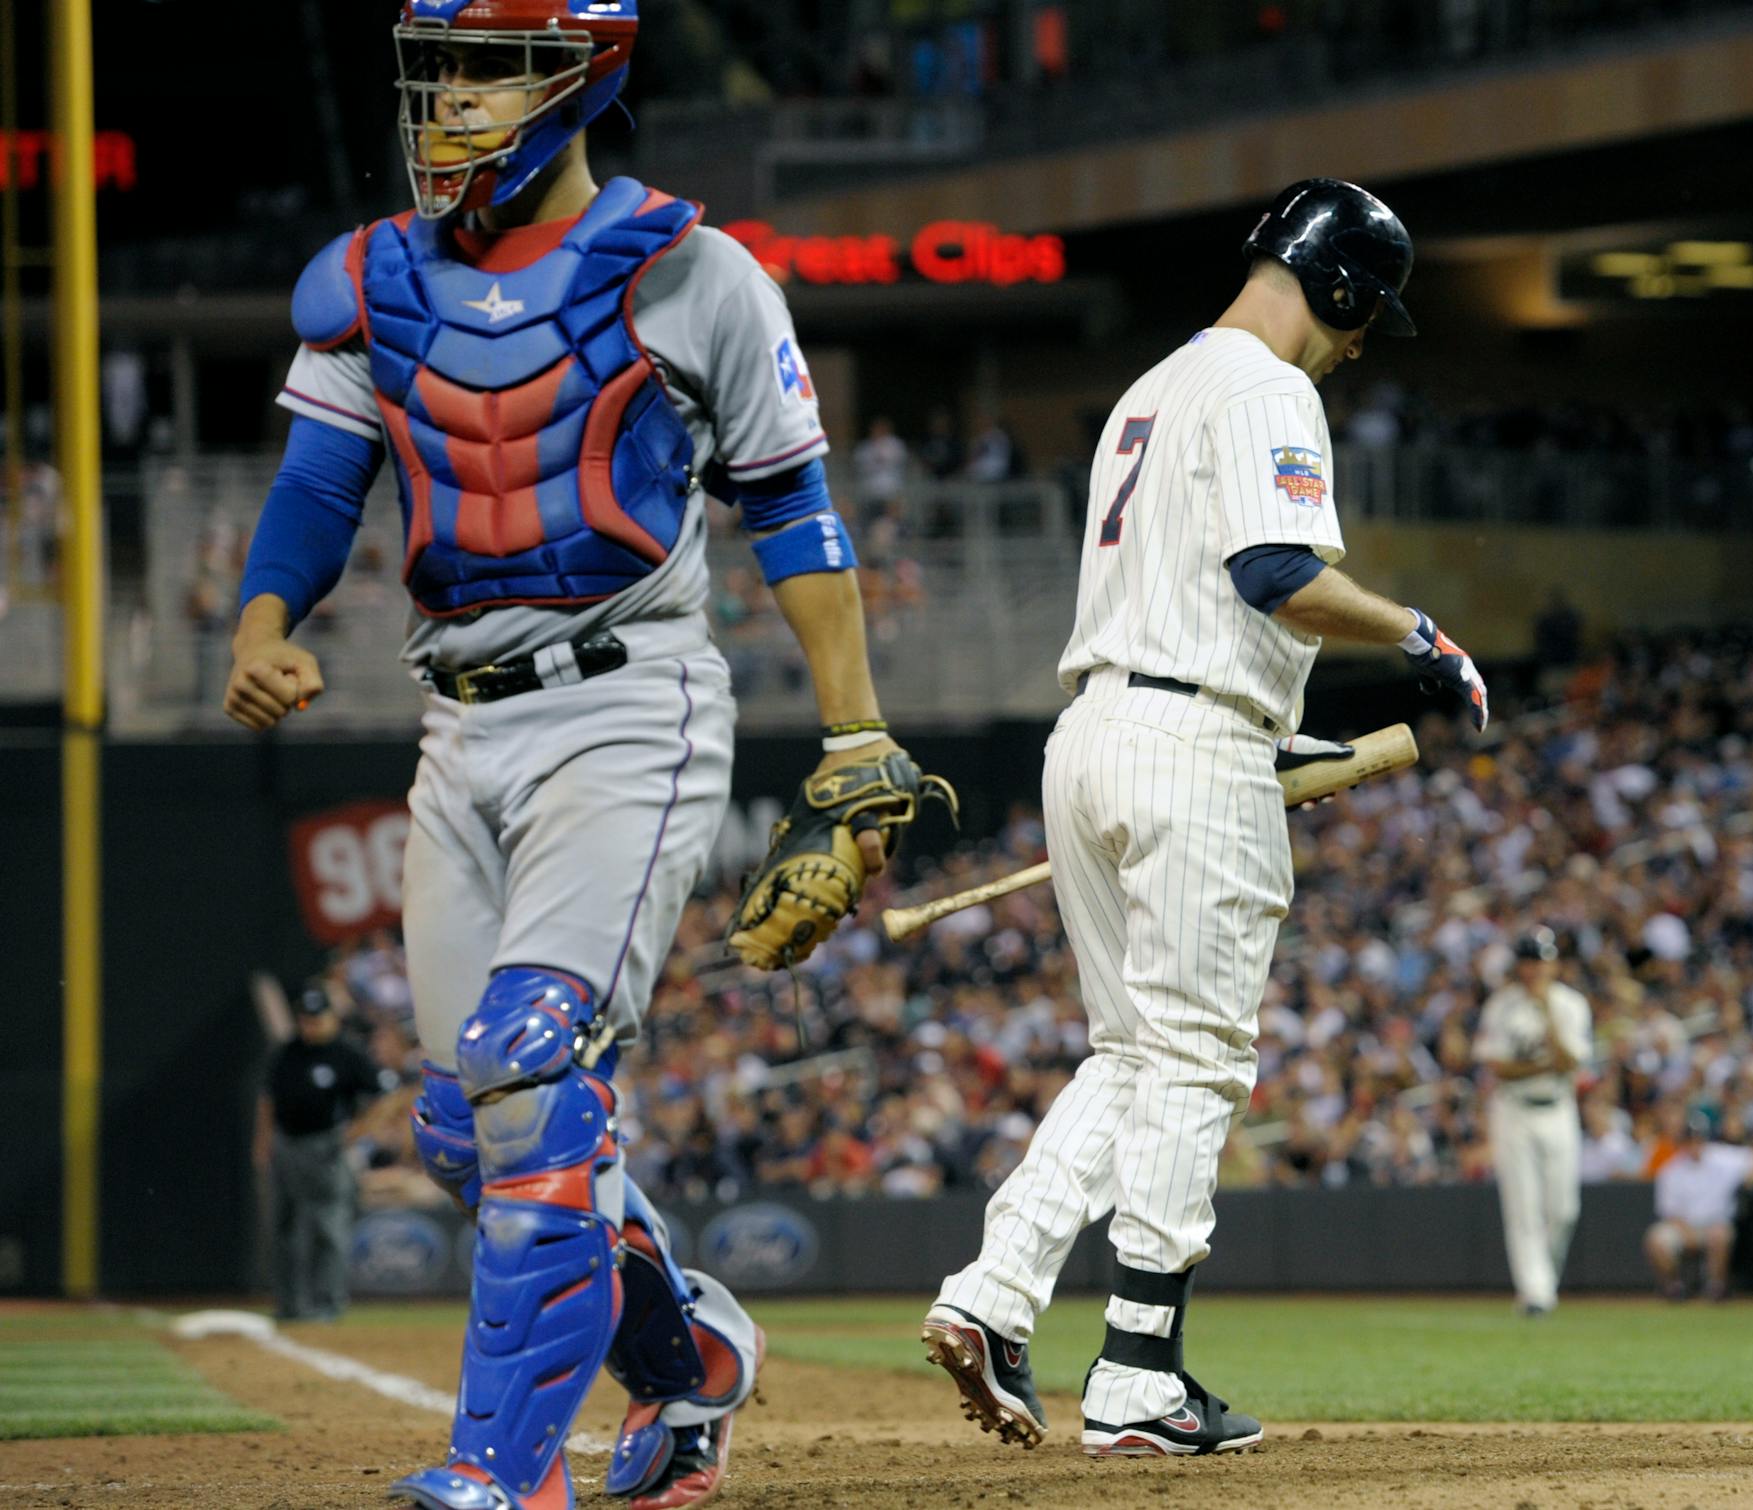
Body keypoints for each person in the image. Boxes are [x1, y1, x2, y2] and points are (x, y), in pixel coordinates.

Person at [223, 5, 918, 1506]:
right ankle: (686, 1361)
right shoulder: (372, 282)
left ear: (583, 74)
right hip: (456, 723)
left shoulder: (695, 272)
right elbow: (317, 477)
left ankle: (501, 1473)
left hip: (629, 703)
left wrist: (855, 730)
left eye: (488, 67)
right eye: (442, 68)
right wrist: (260, 624)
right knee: (465, 1124)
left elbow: (792, 510)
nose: (454, 100)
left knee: (532, 1061)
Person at [922, 178, 1486, 1459]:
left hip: (1099, 733)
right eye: (1364, 319)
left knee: (1129, 1054)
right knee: (1196, 1061)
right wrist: (1417, 633)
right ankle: (1138, 1375)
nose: (1356, 347)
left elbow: (1194, 597)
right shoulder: (1269, 388)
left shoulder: (1152, 386)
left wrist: (1278, 733)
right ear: (1338, 287)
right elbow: (1275, 575)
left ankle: (992, 1293)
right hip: (1190, 746)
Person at [1474, 927, 1591, 1317]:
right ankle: (1537, 1294)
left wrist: (1546, 1013)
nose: (1535, 969)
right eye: (1528, 961)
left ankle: (1543, 1285)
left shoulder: (1570, 1004)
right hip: (1513, 1110)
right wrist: (1543, 1065)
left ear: (1554, 963)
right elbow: (1498, 1067)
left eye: (1541, 960)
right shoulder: (1501, 1005)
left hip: (1559, 1107)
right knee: (1523, 1207)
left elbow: (1570, 1061)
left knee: (1563, 1210)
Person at [261, 987, 391, 1323]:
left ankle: (327, 1304)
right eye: (306, 1018)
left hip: (326, 1147)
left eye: (317, 1018)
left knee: (327, 1228)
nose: (311, 1025)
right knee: (283, 1228)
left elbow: (382, 1096)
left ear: (331, 1018)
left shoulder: (346, 1053)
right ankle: (290, 1305)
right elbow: (268, 1100)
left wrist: (354, 1133)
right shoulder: (287, 1052)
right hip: (285, 1143)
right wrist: (261, 1144)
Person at [1644, 1110, 1753, 1301]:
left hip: (1715, 1224)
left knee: (1719, 1234)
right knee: (1656, 1239)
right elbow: (1669, 1213)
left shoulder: (1723, 1158)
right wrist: (1688, 1233)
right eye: (1690, 1139)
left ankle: (1716, 1288)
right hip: (1683, 1227)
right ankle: (1674, 1288)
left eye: (1698, 1138)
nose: (1695, 1144)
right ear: (1682, 1142)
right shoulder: (1671, 1169)